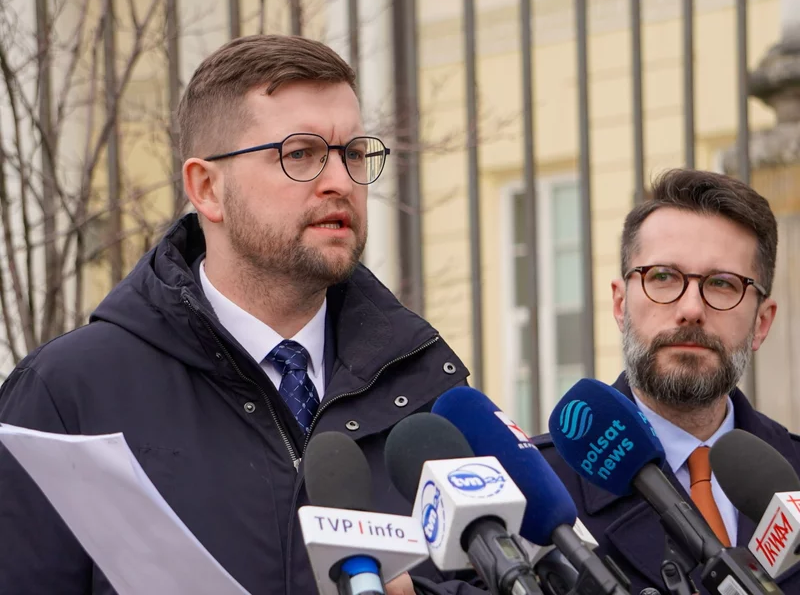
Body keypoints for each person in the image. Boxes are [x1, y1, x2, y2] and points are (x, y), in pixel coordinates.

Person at [0, 35, 483, 595]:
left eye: (353, 154)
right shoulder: (69, 395)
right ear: (207, 188)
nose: (340, 182)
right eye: (300, 154)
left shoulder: (427, 395)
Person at [534, 169, 800, 595]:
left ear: (761, 323)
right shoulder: (535, 489)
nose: (691, 309)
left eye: (722, 283)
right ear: (620, 304)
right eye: (662, 276)